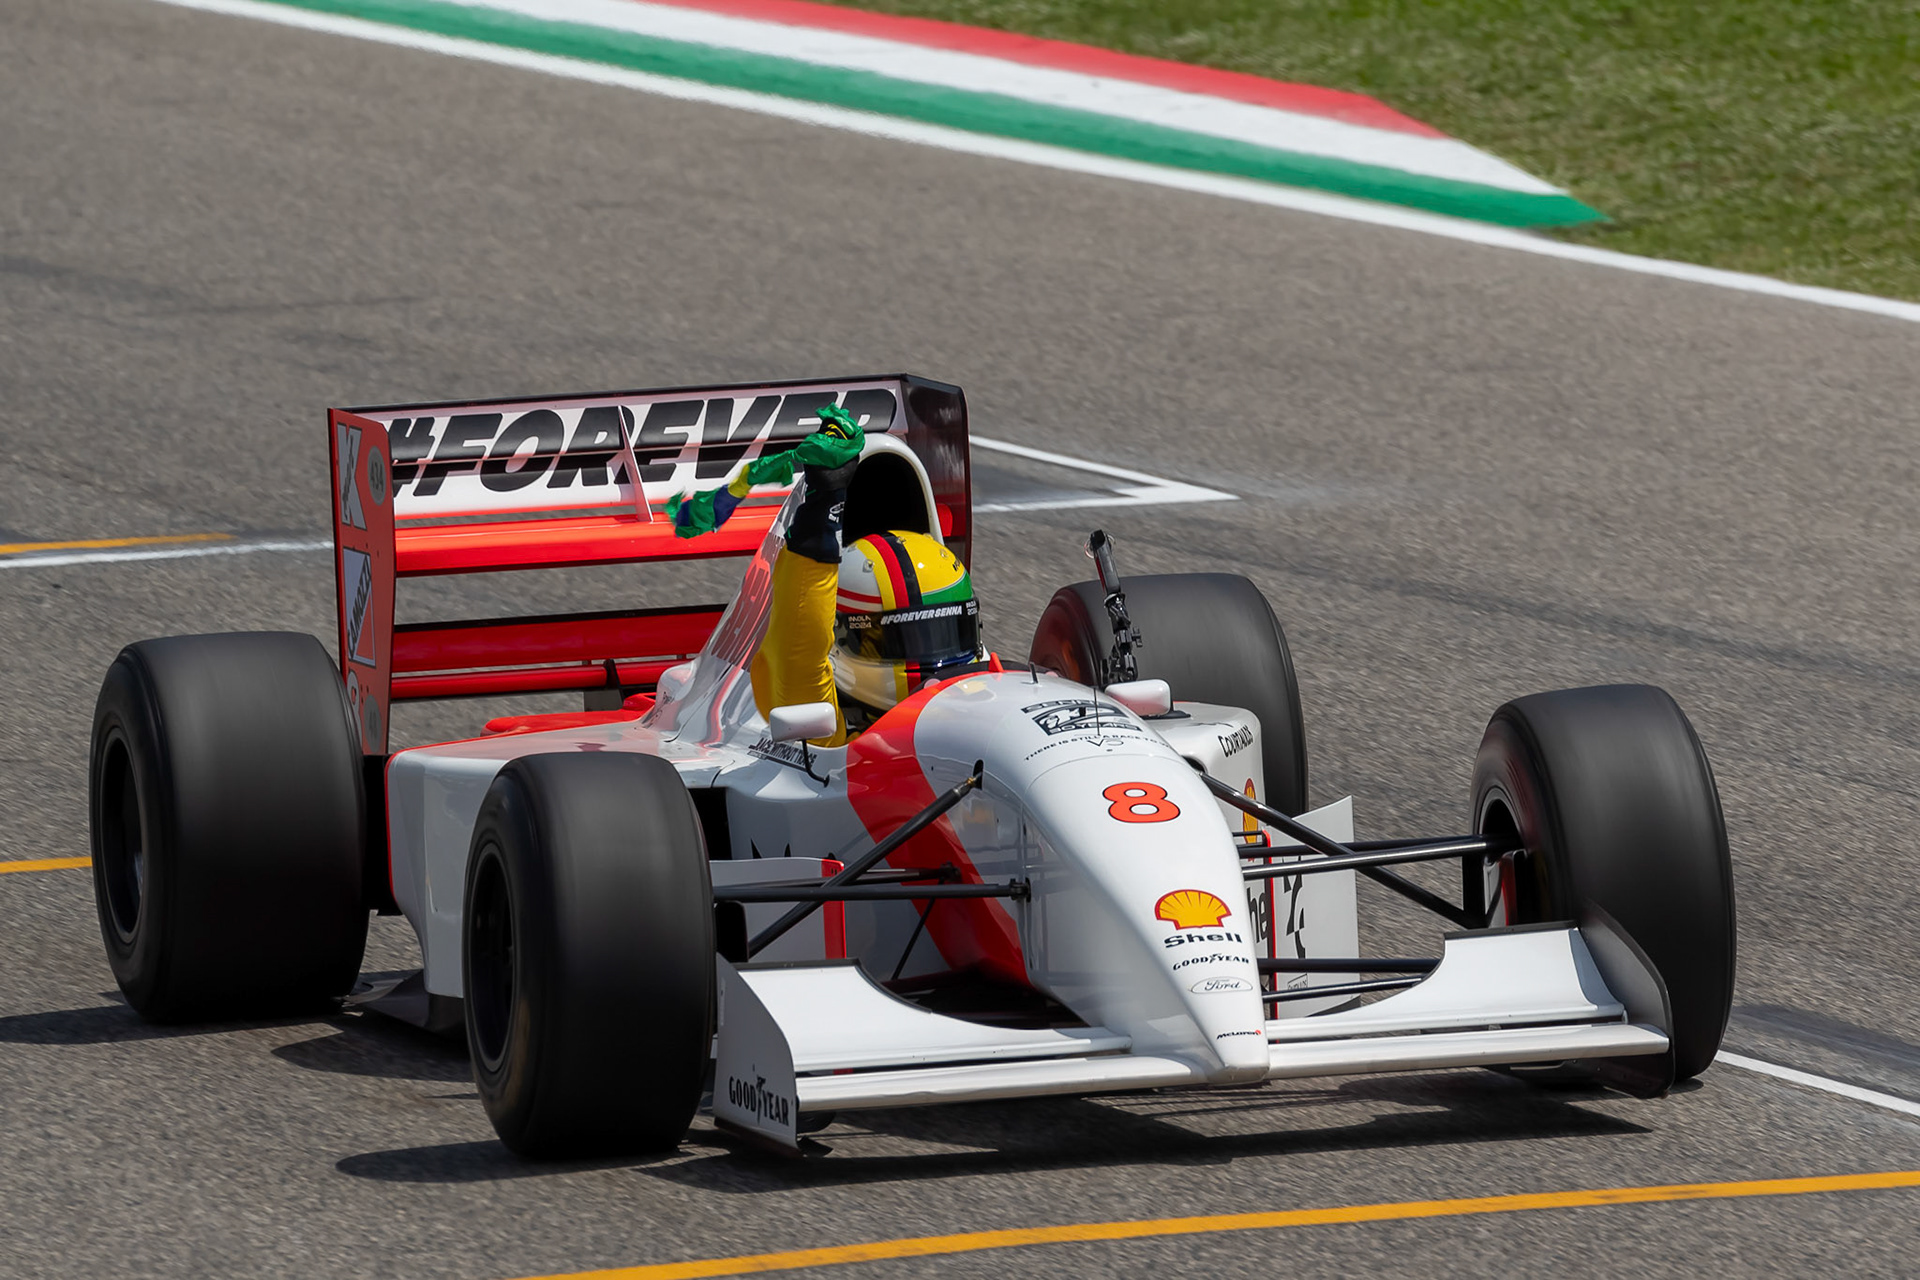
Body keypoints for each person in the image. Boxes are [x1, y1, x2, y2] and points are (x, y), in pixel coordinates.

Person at [670, 406, 981, 744]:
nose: (935, 659)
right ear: (837, 639)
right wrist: (820, 519)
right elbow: (803, 646)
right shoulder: (819, 724)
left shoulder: (980, 695)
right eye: (898, 641)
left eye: (948, 633)